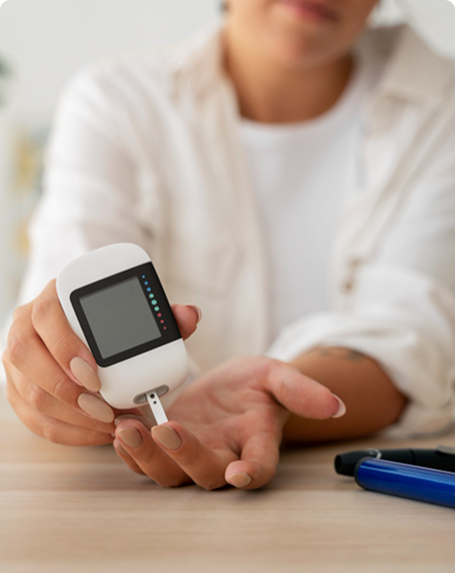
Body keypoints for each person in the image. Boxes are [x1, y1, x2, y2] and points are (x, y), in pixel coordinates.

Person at [2, 0, 455, 490]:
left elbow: (415, 340)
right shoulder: (113, 102)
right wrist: (50, 367)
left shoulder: (442, 104)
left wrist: (269, 401)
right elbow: (65, 307)